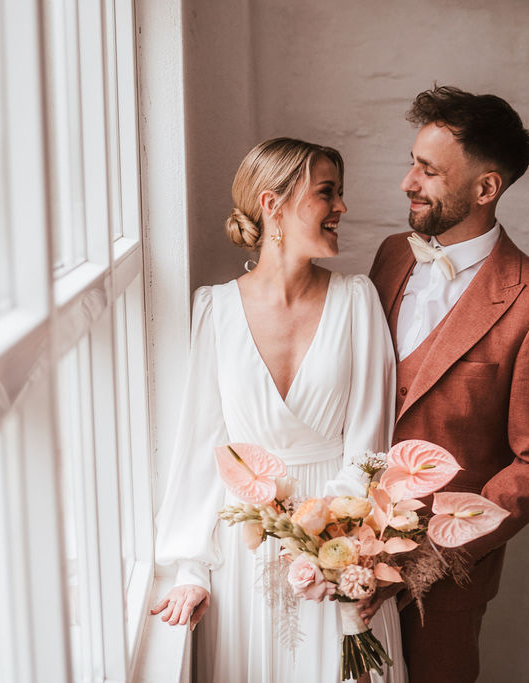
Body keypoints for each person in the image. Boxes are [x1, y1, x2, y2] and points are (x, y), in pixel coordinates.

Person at [150, 138, 407, 682]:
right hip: (248, 555)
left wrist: (341, 552)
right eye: (327, 193)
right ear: (273, 205)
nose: (341, 207)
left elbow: (370, 445)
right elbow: (203, 447)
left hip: (343, 551)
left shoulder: (357, 300)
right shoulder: (214, 310)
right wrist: (191, 568)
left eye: (340, 194)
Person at [361, 86, 529, 682]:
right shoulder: (390, 256)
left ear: (486, 189)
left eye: (429, 171)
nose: (408, 182)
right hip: (342, 553)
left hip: (442, 583)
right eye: (412, 161)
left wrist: (432, 559)